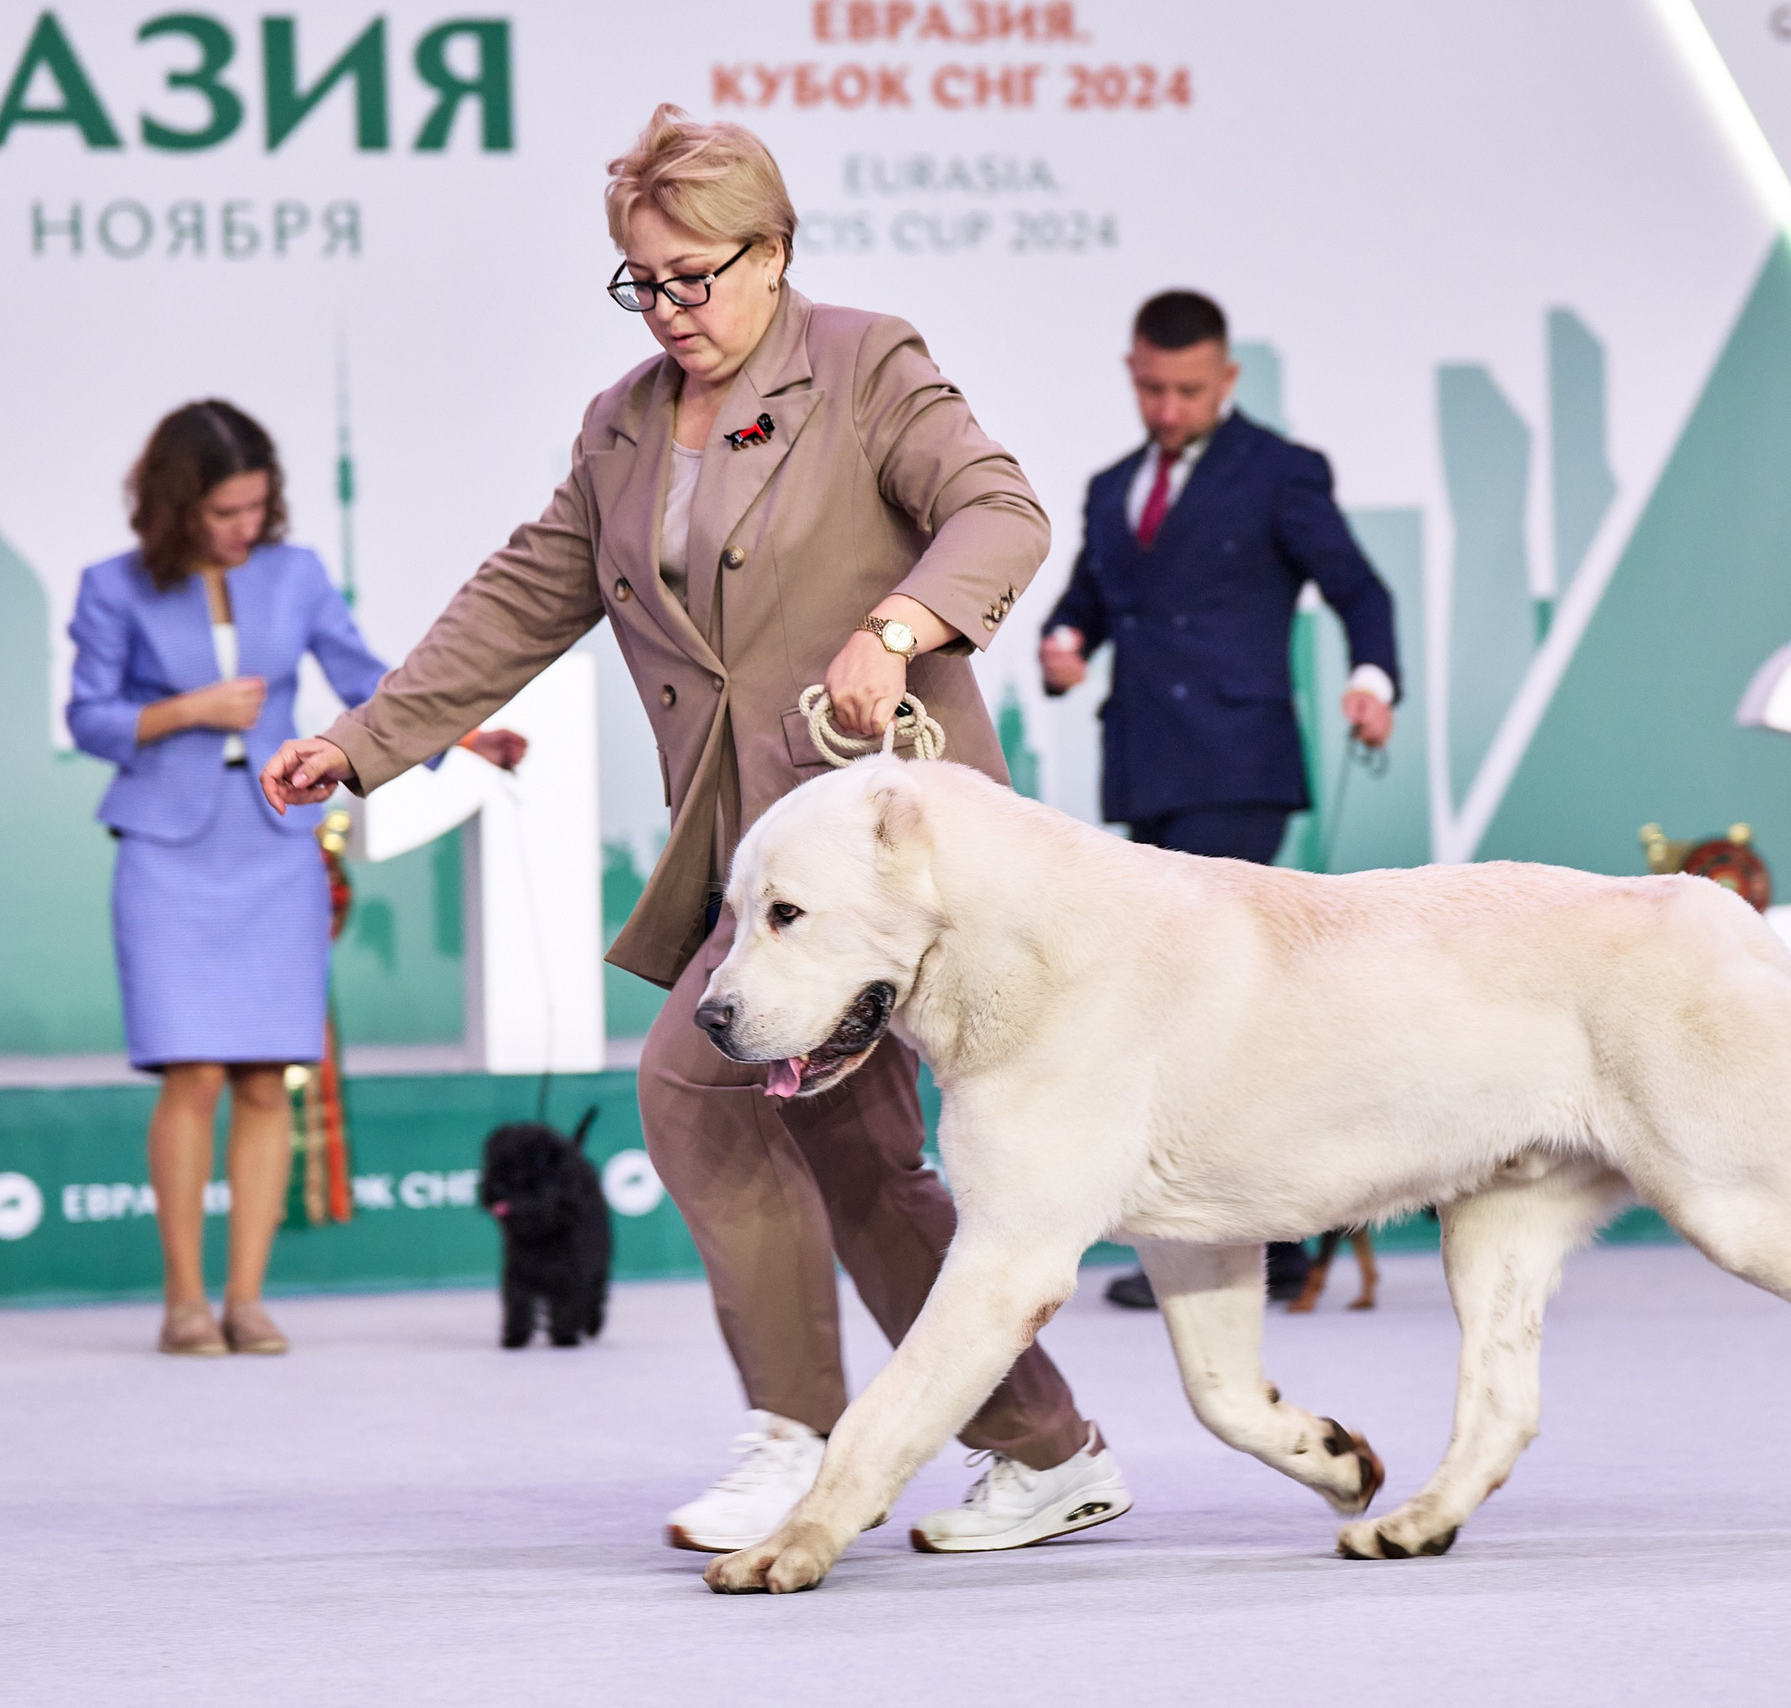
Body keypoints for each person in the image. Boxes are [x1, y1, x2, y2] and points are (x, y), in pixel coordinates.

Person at [258, 106, 1130, 1556]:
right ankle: (1040, 1448)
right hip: (756, 859)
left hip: (895, 860)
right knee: (846, 1157)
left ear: (774, 253)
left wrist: (897, 625)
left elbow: (999, 509)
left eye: (693, 277)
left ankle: (807, 1440)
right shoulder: (618, 426)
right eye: (639, 281)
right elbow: (521, 599)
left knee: (706, 1093)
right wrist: (359, 744)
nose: (668, 311)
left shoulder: (866, 364)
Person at [65, 401, 525, 1358]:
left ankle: (247, 1299)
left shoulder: (298, 574)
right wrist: (184, 710)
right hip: (167, 848)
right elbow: (90, 720)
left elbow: (370, 679)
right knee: (191, 1073)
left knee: (268, 1079)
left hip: (277, 843)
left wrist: (465, 735)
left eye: (256, 507)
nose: (245, 526)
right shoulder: (111, 588)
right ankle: (185, 1302)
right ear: (178, 504)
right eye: (225, 510)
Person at [1040, 290, 1400, 1310]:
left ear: (1226, 379)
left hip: (1238, 762)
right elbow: (1089, 604)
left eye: (1188, 389)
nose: (1168, 407)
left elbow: (1358, 591)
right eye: (1152, 387)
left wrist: (1371, 679)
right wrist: (1064, 647)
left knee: (1221, 1007)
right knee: (1165, 1007)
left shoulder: (1279, 471)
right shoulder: (1111, 487)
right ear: (1130, 372)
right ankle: (1201, 1236)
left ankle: (1260, 1237)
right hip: (1148, 765)